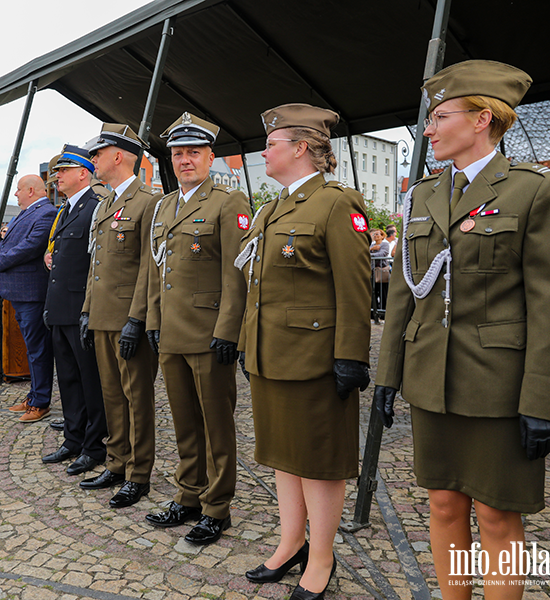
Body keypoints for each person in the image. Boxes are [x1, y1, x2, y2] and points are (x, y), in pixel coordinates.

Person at [374, 60, 550, 599]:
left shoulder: (532, 190)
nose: (429, 130)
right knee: (442, 503)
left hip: (498, 386)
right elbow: (403, 298)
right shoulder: (421, 194)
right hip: (431, 380)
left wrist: (542, 401)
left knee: (497, 513)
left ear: (483, 118)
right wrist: (388, 377)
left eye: (440, 117)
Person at [238, 104, 371, 598]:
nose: (264, 152)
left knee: (318, 461)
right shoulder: (274, 209)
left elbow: (354, 288)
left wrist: (350, 356)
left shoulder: (337, 203)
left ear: (300, 148)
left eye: (271, 143)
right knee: (284, 456)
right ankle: (291, 542)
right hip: (271, 354)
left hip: (315, 358)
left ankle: (321, 558)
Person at [144, 113, 249, 546]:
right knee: (184, 421)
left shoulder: (228, 202)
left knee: (216, 424)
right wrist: (152, 319)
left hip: (208, 333)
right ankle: (188, 494)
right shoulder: (166, 204)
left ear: (210, 157)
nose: (184, 160)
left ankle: (217, 506)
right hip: (171, 331)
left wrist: (229, 330)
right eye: (178, 153)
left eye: (193, 152)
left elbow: (236, 272)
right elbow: (157, 270)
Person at [79, 123, 161, 508]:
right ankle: (117, 461)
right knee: (112, 395)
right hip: (102, 317)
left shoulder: (149, 202)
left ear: (118, 156)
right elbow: (97, 264)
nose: (92, 160)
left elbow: (151, 266)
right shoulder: (104, 204)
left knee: (137, 398)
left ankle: (139, 473)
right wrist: (86, 310)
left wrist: (138, 318)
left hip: (130, 319)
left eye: (97, 153)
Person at [41, 144, 107, 476]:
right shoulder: (67, 209)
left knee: (89, 380)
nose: (57, 177)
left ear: (83, 173)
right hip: (61, 307)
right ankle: (73, 437)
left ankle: (94, 446)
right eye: (56, 172)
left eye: (64, 171)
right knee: (67, 378)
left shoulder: (95, 207)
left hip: (81, 307)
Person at [0, 174, 57, 423]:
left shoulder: (46, 213)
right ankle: (34, 396)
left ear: (31, 190)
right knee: (31, 348)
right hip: (17, 292)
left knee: (38, 349)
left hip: (31, 293)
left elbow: (32, 245)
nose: (15, 194)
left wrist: (3, 259)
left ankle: (40, 402)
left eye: (18, 190)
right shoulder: (22, 214)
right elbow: (4, 240)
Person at [370, 228, 391, 312]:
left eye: (377, 234)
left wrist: (371, 254)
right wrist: (371, 249)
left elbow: (382, 254)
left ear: (382, 236)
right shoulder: (372, 245)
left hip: (382, 271)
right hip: (373, 271)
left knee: (383, 292)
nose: (375, 236)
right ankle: (374, 312)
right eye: (374, 234)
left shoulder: (385, 244)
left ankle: (383, 312)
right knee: (373, 292)